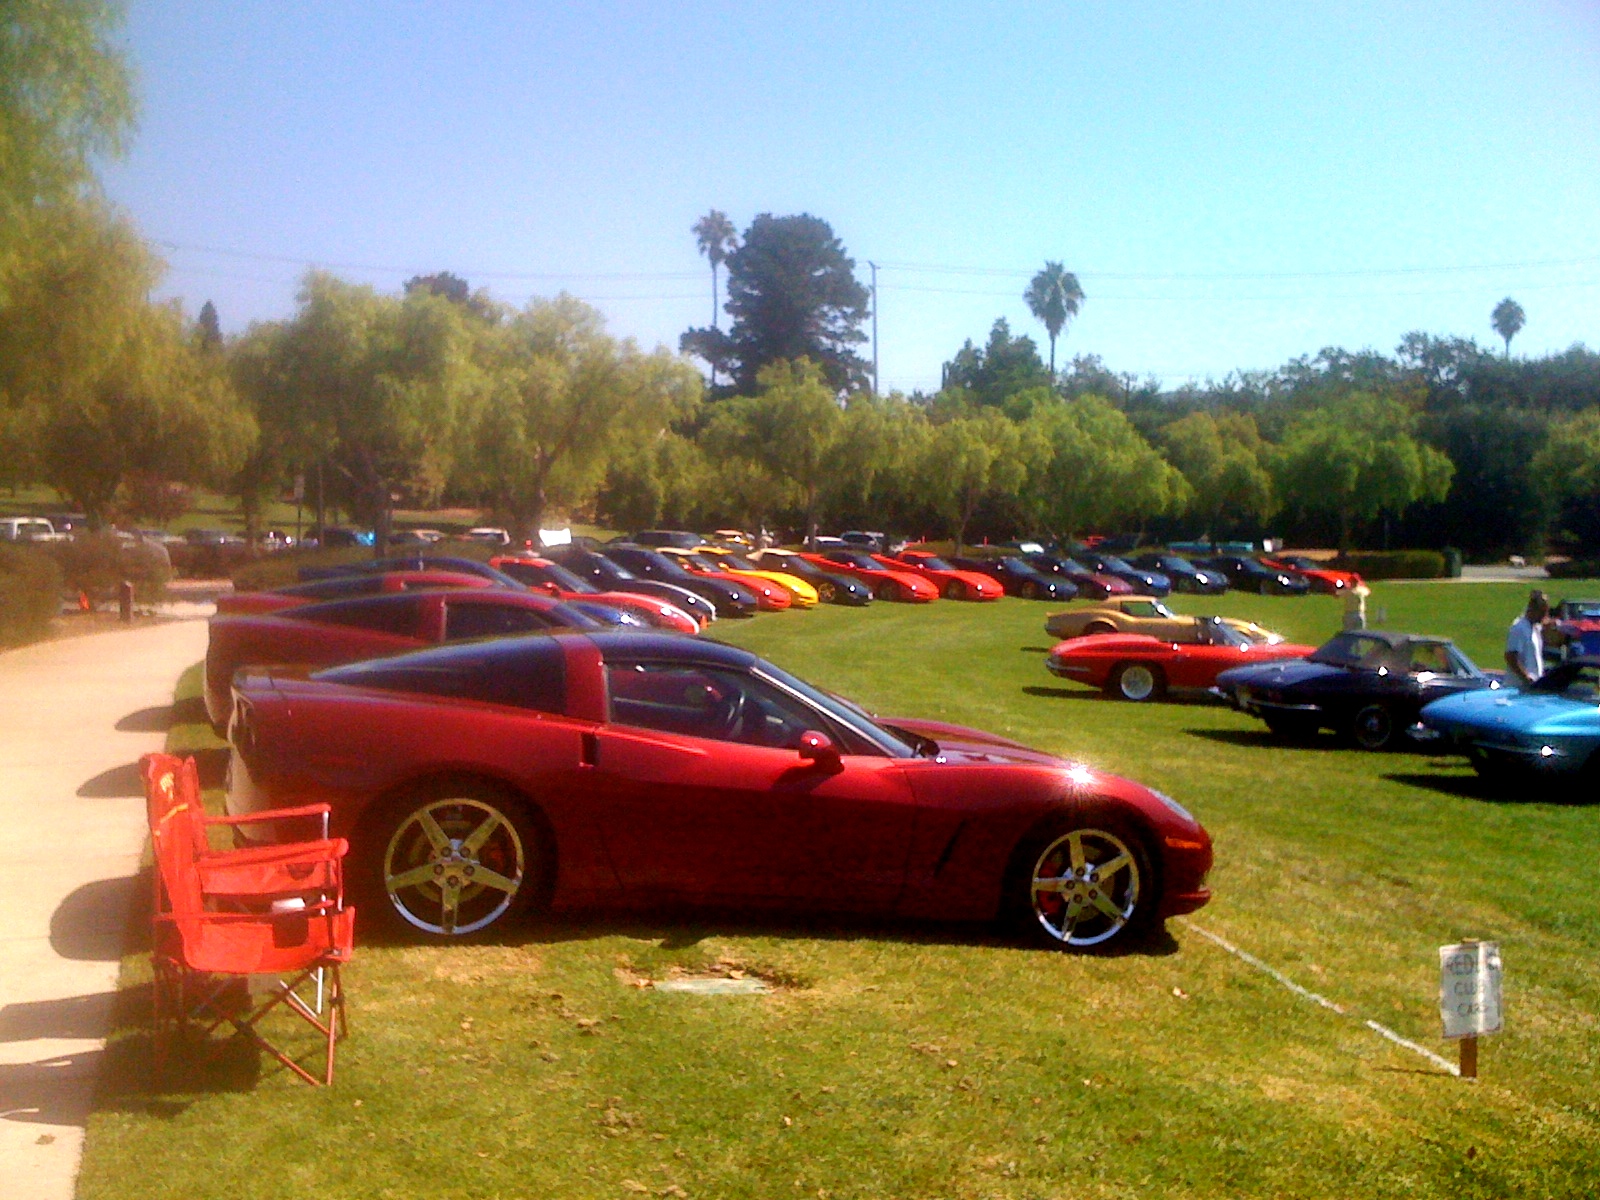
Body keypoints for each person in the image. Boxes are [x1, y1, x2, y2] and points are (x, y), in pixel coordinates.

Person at [1504, 589, 1551, 686]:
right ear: (1533, 609)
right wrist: (1526, 678)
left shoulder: (1535, 627)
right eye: (1542, 612)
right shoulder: (1518, 628)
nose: (1544, 616)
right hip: (1519, 689)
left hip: (1534, 686)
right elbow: (1511, 657)